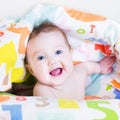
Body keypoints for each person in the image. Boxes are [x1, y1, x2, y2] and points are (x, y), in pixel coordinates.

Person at [25, 22, 116, 100]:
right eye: (41, 57)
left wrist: (101, 67)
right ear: (32, 70)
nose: (52, 61)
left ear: (70, 53)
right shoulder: (42, 90)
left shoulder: (77, 72)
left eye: (58, 52)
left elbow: (88, 67)